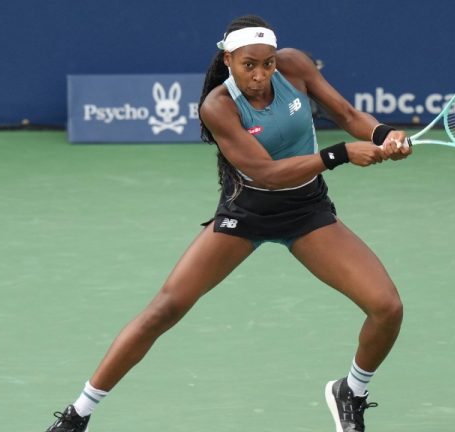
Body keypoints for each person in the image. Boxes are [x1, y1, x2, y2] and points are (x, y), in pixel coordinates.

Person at [45, 14, 411, 432]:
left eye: (267, 64)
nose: (260, 74)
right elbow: (267, 173)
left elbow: (345, 112)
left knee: (387, 307)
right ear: (228, 60)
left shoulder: (295, 67)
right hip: (247, 213)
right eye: (248, 65)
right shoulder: (217, 106)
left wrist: (385, 134)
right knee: (164, 309)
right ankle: (78, 414)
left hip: (307, 211)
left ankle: (352, 391)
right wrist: (340, 155)